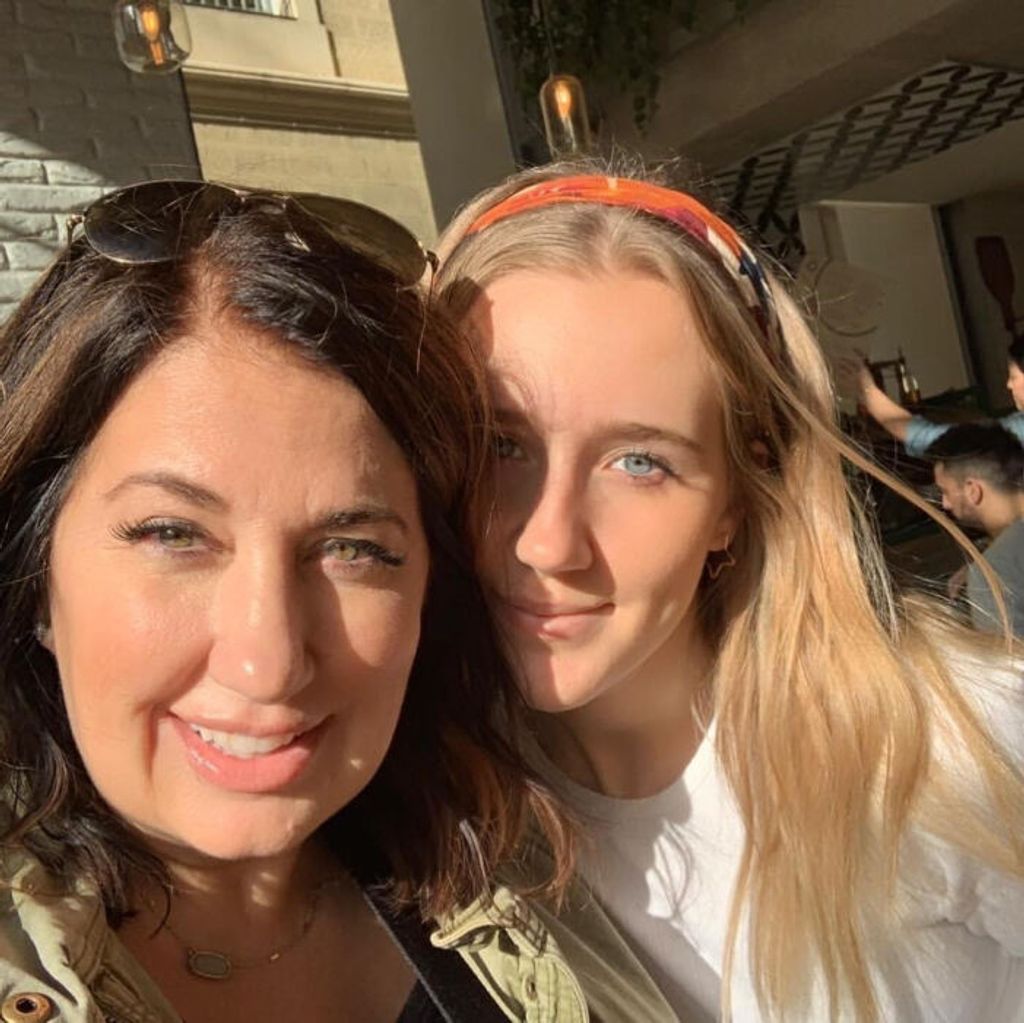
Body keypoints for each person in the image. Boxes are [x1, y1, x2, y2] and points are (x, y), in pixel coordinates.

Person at [435, 164, 1024, 1022]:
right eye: (499, 443)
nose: (548, 542)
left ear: (734, 503)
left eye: (640, 461)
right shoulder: (428, 804)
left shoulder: (947, 743)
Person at [0, 180, 597, 1023]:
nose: (268, 660)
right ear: (35, 579)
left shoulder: (545, 901)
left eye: (353, 549)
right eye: (173, 533)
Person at [849, 337, 1024, 456]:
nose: (1008, 384)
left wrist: (867, 388)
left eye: (1013, 377)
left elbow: (930, 438)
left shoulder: (1016, 430)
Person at [927, 422, 1024, 634]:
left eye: (945, 491)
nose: (945, 504)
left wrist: (987, 571)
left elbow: (1007, 654)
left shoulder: (994, 574)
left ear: (973, 490)